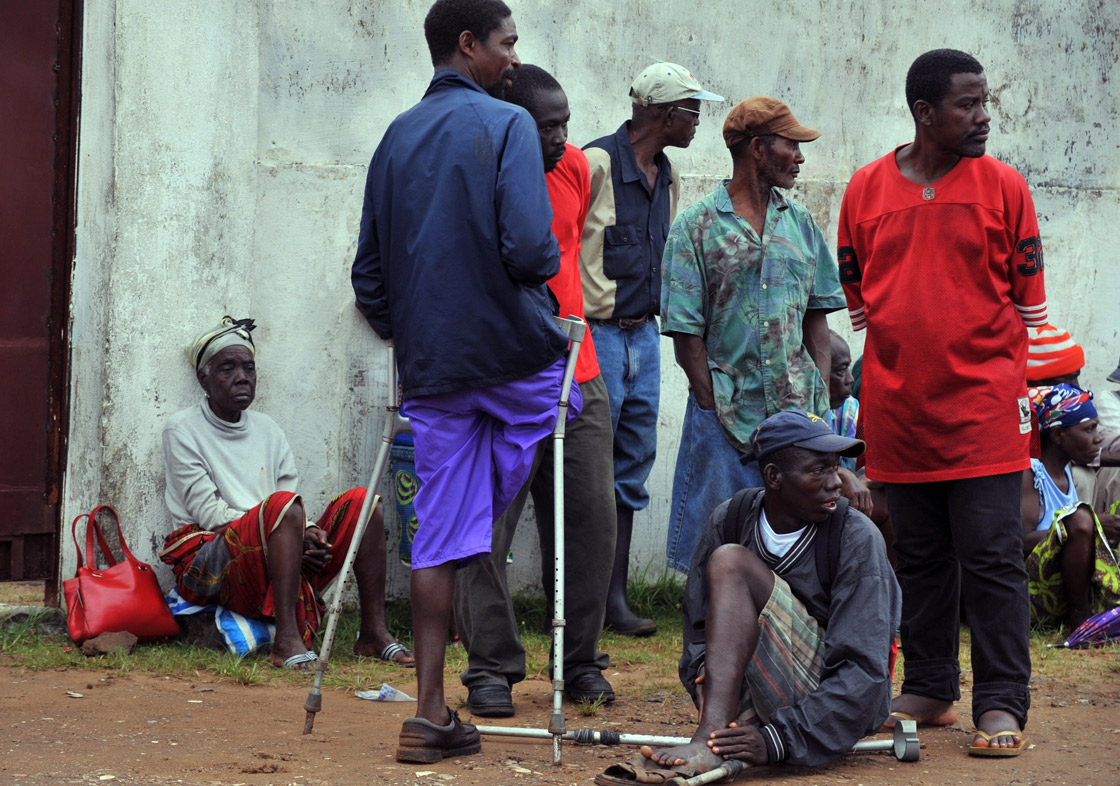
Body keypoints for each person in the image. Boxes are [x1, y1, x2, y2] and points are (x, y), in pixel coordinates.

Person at [352, 0, 579, 763]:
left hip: (435, 371)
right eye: (508, 44)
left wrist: (416, 331)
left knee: (439, 539)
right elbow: (529, 249)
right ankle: (489, 514)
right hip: (514, 357)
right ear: (469, 43)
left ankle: (428, 712)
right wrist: (540, 267)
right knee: (573, 400)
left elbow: (369, 276)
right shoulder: (506, 123)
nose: (514, 59)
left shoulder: (395, 135)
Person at [837, 49, 1049, 756]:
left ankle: (1000, 701)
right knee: (919, 555)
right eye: (967, 104)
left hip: (984, 411)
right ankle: (931, 686)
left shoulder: (1004, 187)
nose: (984, 115)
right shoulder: (865, 191)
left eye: (985, 101)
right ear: (925, 113)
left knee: (991, 556)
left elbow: (1026, 305)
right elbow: (867, 303)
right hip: (898, 411)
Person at [603, 410, 898, 780]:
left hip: (830, 702)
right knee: (728, 559)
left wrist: (777, 740)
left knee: (731, 563)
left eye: (836, 467)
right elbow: (697, 623)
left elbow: (864, 671)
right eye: (818, 470)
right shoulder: (732, 518)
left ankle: (708, 739)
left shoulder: (854, 535)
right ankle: (713, 739)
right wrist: (703, 680)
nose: (836, 482)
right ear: (774, 477)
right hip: (754, 688)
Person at [453, 64, 615, 717]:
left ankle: (579, 663)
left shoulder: (574, 166)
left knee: (589, 524)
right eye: (547, 126)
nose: (561, 137)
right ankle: (491, 668)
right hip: (500, 381)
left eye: (564, 123)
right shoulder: (479, 172)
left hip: (578, 374)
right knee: (486, 529)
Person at [159, 317, 410, 670]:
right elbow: (210, 515)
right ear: (204, 378)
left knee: (363, 503)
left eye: (248, 367)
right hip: (214, 562)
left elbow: (290, 504)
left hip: (276, 547)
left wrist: (306, 535)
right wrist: (283, 527)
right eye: (227, 368)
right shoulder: (181, 429)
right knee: (281, 508)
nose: (242, 377)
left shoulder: (268, 429)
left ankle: (373, 632)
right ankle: (286, 640)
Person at [660, 97, 844, 574]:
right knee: (717, 550)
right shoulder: (696, 227)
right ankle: (708, 646)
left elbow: (816, 322)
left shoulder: (800, 225)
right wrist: (709, 402)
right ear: (759, 149)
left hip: (797, 415)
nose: (801, 158)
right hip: (725, 417)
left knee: (804, 553)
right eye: (792, 146)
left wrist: (816, 402)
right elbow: (686, 333)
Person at [581, 62, 723, 635]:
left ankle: (612, 600)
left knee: (630, 466)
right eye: (693, 110)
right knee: (589, 467)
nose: (697, 122)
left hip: (642, 332)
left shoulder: (667, 174)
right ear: (666, 113)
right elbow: (560, 244)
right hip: (596, 334)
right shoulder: (593, 163)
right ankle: (583, 600)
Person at [1022, 384, 1119, 630]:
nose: (1098, 437)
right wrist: (1090, 526)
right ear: (1057, 436)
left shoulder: (1065, 466)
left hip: (1063, 585)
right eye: (1089, 429)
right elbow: (1017, 542)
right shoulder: (1031, 473)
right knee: (1081, 520)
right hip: (1032, 595)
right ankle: (1081, 620)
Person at [1026, 324, 1120, 532]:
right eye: (1069, 378)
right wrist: (1090, 526)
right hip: (1040, 546)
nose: (1076, 385)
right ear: (1038, 383)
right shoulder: (1021, 417)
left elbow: (1100, 436)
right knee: (1082, 478)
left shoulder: (1070, 403)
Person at [826, 331, 893, 564]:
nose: (850, 380)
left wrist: (868, 476)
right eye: (839, 371)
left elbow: (870, 459)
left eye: (847, 369)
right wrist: (843, 475)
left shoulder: (852, 411)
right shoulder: (799, 413)